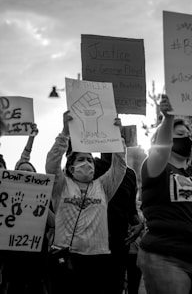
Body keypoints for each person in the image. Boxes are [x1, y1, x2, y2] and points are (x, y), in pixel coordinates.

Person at [45, 110, 127, 294]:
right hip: (66, 257)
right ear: (71, 167)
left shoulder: (103, 186)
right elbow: (51, 164)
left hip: (98, 258)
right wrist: (64, 133)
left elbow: (119, 166)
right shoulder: (61, 185)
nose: (87, 163)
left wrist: (117, 137)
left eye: (90, 160)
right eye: (81, 159)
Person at [137, 94, 192, 294]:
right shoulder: (155, 167)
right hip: (166, 255)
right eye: (180, 134)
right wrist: (169, 118)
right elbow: (160, 151)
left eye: (190, 135)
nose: (187, 138)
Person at [2, 123, 54, 294]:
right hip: (13, 256)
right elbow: (24, 159)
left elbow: (54, 223)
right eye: (21, 172)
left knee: (35, 287)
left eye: (29, 173)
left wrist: (42, 205)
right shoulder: (6, 197)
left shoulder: (43, 197)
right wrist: (31, 138)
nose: (26, 174)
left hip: (36, 257)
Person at [94, 151, 143, 294]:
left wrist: (139, 225)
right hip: (91, 243)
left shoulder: (129, 174)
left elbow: (131, 211)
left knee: (115, 286)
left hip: (119, 244)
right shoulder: (91, 167)